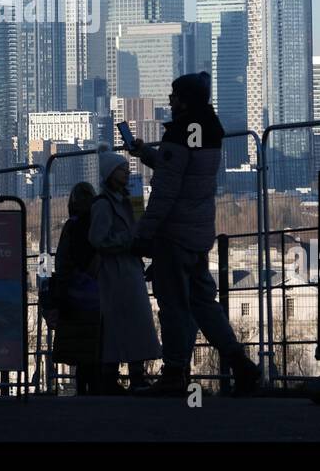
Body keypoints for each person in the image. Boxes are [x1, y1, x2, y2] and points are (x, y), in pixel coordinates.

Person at [130, 71, 261, 396]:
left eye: (175, 96)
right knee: (205, 303)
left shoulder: (180, 132)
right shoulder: (207, 129)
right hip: (199, 231)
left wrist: (143, 234)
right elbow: (182, 169)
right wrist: (147, 154)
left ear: (185, 101)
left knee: (174, 306)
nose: (170, 101)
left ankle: (174, 375)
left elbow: (167, 190)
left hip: (173, 235)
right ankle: (241, 363)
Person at [89, 148, 160, 394]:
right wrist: (129, 237)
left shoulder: (122, 201)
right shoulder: (103, 205)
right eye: (121, 169)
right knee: (126, 323)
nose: (126, 172)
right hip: (117, 271)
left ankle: (121, 375)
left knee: (128, 323)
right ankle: (126, 375)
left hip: (125, 269)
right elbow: (98, 239)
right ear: (110, 173)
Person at [49, 182, 104, 395]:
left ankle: (81, 391)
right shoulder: (96, 225)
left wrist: (60, 295)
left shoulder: (70, 227)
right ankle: (97, 390)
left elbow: (62, 262)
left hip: (74, 296)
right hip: (96, 296)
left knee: (79, 352)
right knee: (94, 348)